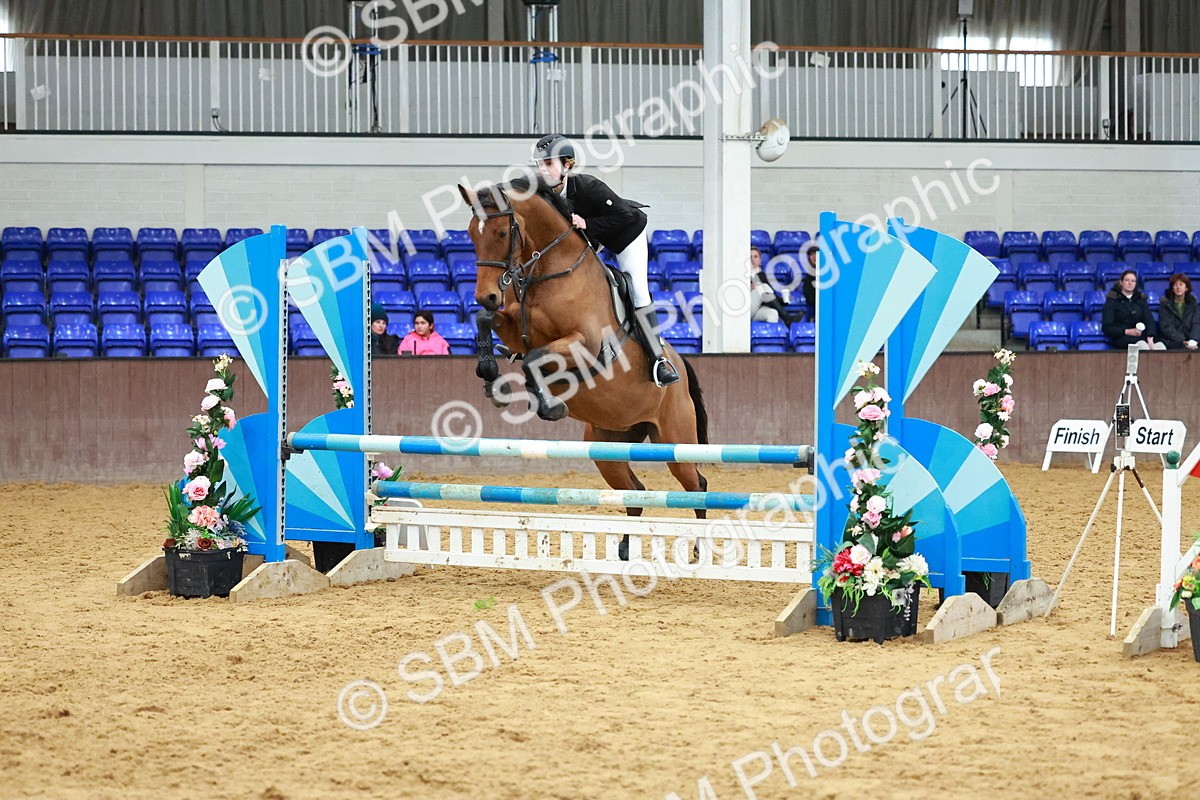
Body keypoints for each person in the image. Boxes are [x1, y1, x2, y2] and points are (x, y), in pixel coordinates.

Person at [531, 133, 679, 387]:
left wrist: (588, 223)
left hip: (626, 235)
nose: (542, 170)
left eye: (548, 163)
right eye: (539, 164)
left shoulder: (589, 186)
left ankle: (658, 360)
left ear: (567, 165)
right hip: (593, 237)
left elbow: (624, 216)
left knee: (638, 290)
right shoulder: (543, 193)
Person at [1101, 270, 1165, 350]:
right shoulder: (1112, 301)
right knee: (1142, 346)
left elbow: (1149, 320)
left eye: (1133, 281)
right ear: (1121, 282)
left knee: (1160, 347)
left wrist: (1150, 338)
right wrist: (1127, 331)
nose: (1130, 283)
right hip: (1122, 338)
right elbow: (1107, 327)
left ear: (1135, 284)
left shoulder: (1140, 300)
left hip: (1143, 337)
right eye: (1127, 280)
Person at [748, 247, 802, 324]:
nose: (752, 259)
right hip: (745, 309)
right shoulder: (741, 274)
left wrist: (783, 300)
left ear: (760, 260)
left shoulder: (763, 276)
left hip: (757, 309)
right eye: (750, 257)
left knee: (773, 314)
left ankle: (770, 334)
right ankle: (786, 318)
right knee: (763, 287)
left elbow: (772, 296)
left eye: (755, 256)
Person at [1158, 273, 1200, 351]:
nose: (1178, 287)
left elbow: (1196, 324)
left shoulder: (1193, 305)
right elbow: (1167, 327)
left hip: (1192, 342)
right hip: (1172, 342)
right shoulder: (1165, 306)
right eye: (1175, 285)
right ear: (1172, 289)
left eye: (1181, 284)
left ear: (1186, 288)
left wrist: (1192, 341)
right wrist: (1183, 341)